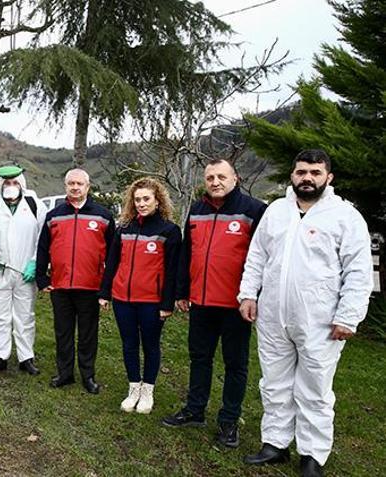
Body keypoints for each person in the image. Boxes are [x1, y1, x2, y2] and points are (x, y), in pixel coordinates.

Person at [239, 150, 372, 477]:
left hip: (320, 320)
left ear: (329, 177)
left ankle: (312, 454)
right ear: (292, 175)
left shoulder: (344, 216)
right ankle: (275, 443)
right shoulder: (276, 211)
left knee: (314, 388)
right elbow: (257, 257)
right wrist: (248, 294)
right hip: (273, 315)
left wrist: (348, 316)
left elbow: (358, 270)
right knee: (274, 382)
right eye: (301, 172)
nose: (307, 178)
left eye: (315, 172)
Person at [162, 158, 267, 448]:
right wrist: (182, 292)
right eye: (210, 178)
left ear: (235, 178)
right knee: (199, 358)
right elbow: (187, 253)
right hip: (201, 301)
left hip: (236, 304)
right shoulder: (197, 210)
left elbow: (263, 258)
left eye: (221, 176)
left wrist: (254, 295)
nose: (215, 182)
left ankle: (229, 420)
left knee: (235, 364)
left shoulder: (254, 210)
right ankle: (195, 410)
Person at [100, 178, 181, 413]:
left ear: (158, 201)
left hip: (151, 302)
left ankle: (148, 391)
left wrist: (167, 304)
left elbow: (172, 271)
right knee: (129, 344)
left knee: (150, 345)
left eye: (146, 199)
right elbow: (112, 262)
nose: (141, 204)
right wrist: (105, 292)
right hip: (123, 299)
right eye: (137, 200)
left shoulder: (169, 231)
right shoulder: (124, 228)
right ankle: (134, 387)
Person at [36, 169, 114, 394]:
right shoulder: (54, 216)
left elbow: (113, 254)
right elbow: (43, 248)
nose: (75, 187)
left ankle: (88, 375)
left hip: (90, 286)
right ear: (65, 186)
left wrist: (106, 287)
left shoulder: (103, 216)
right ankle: (65, 373)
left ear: (88, 187)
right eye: (71, 183)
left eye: (80, 183)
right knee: (63, 332)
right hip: (60, 285)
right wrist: (42, 277)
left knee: (88, 334)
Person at [0, 165, 46, 375]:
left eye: (14, 182)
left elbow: (43, 238)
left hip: (25, 272)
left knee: (25, 315)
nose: (10, 186)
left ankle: (26, 357)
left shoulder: (35, 206)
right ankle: (0, 356)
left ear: (21, 184)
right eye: (7, 183)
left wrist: (35, 263)